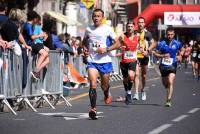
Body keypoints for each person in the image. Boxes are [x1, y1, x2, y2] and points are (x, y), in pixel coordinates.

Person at [82, 9, 120, 120]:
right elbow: (84, 41)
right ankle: (93, 109)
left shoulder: (108, 29)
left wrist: (106, 49)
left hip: (105, 61)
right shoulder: (89, 29)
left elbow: (118, 43)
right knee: (93, 83)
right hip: (92, 60)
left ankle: (107, 93)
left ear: (102, 17)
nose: (96, 18)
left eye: (98, 16)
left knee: (104, 85)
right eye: (94, 16)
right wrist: (85, 49)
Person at [152, 27, 184, 107]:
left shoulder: (177, 43)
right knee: (165, 84)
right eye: (168, 34)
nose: (170, 36)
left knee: (170, 81)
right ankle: (168, 90)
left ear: (174, 34)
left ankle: (168, 100)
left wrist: (180, 55)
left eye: (171, 34)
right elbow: (155, 53)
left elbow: (182, 49)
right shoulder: (161, 43)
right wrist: (162, 55)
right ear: (166, 34)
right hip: (163, 66)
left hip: (173, 65)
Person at [22, 10, 49, 80]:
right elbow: (32, 37)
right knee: (44, 53)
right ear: (34, 19)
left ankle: (36, 71)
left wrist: (42, 36)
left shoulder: (29, 25)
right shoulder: (28, 25)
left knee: (48, 60)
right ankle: (35, 71)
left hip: (33, 44)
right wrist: (40, 35)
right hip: (31, 44)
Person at [133, 16, 154, 101]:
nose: (140, 24)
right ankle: (136, 93)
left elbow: (153, 43)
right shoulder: (134, 33)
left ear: (144, 24)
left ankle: (143, 91)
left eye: (142, 22)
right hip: (136, 56)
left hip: (144, 56)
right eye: (139, 22)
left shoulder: (147, 33)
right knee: (136, 74)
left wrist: (148, 50)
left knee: (144, 76)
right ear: (137, 24)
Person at [119, 21, 138, 105]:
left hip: (132, 60)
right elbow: (117, 44)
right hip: (124, 61)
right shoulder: (122, 36)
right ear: (126, 27)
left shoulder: (137, 37)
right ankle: (127, 92)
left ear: (134, 27)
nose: (130, 28)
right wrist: (121, 47)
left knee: (131, 76)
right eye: (128, 26)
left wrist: (142, 50)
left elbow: (140, 46)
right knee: (125, 79)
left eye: (131, 26)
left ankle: (129, 92)